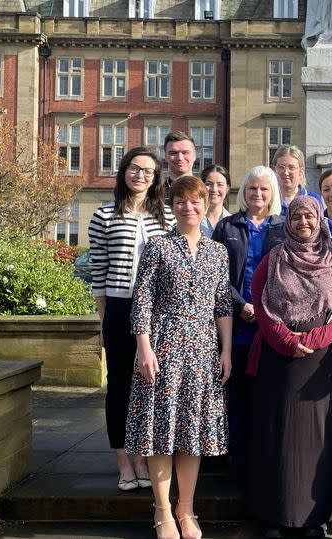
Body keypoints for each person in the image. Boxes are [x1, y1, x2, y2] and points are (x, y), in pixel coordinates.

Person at [125, 176, 232, 539]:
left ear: (206, 203)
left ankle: (186, 509)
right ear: (172, 205)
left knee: (192, 432)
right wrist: (144, 348)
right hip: (163, 349)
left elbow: (222, 304)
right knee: (160, 430)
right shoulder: (158, 247)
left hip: (202, 350)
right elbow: (142, 301)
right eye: (181, 201)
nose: (189, 207)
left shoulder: (218, 252)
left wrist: (226, 349)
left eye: (195, 201)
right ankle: (162, 510)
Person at [246, 196, 332, 539]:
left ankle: (317, 517)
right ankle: (274, 516)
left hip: (325, 363)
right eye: (296, 217)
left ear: (320, 220)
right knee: (278, 439)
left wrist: (320, 335)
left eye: (309, 216)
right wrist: (286, 340)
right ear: (288, 222)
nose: (303, 223)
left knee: (321, 441)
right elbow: (261, 302)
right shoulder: (273, 260)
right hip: (280, 362)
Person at [88, 147, 175, 493]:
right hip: (121, 308)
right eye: (135, 169)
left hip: (159, 313)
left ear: (157, 179)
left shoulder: (167, 218)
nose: (141, 175)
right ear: (124, 172)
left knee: (150, 387)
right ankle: (124, 460)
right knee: (120, 387)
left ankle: (143, 456)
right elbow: (98, 271)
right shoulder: (104, 215)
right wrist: (104, 319)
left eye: (149, 171)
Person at [211, 166, 286, 471]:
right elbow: (216, 273)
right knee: (236, 394)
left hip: (272, 326)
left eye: (264, 189)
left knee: (267, 396)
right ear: (244, 191)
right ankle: (237, 458)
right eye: (252, 188)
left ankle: (265, 459)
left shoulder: (284, 227)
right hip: (237, 324)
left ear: (273, 193)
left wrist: (267, 308)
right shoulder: (228, 227)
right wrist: (241, 304)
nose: (257, 194)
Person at [272, 144, 323, 215]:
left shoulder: (313, 199)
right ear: (275, 170)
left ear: (300, 172)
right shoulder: (268, 199)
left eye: (291, 168)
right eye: (281, 167)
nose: (286, 172)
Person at [163, 131, 197, 202]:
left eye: (185, 153)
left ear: (194, 155)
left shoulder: (206, 191)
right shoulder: (155, 193)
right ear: (165, 156)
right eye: (173, 153)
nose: (180, 158)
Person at [199, 164, 231, 238]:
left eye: (220, 184)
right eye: (209, 184)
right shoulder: (193, 220)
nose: (214, 189)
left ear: (227, 188)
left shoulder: (233, 223)